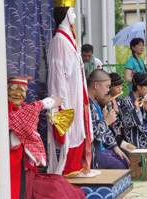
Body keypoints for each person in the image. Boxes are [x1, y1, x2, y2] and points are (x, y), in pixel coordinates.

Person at [7, 76, 86, 199]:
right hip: (14, 169)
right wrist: (42, 104)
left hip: (27, 168)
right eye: (13, 89)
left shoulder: (23, 107)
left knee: (62, 184)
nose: (17, 93)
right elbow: (18, 119)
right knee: (55, 190)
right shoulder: (6, 110)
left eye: (22, 90)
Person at [47, 2, 94, 178]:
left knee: (80, 127)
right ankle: (69, 169)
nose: (75, 15)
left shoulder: (69, 39)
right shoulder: (59, 40)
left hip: (76, 92)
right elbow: (57, 75)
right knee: (71, 129)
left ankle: (80, 166)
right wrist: (60, 101)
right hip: (67, 94)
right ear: (65, 13)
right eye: (72, 11)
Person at [87, 69, 129, 169]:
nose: (107, 90)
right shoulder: (87, 105)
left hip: (103, 148)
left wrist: (115, 147)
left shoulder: (95, 103)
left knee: (126, 161)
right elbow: (92, 133)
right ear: (96, 85)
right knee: (120, 167)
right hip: (93, 151)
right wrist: (106, 121)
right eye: (106, 86)